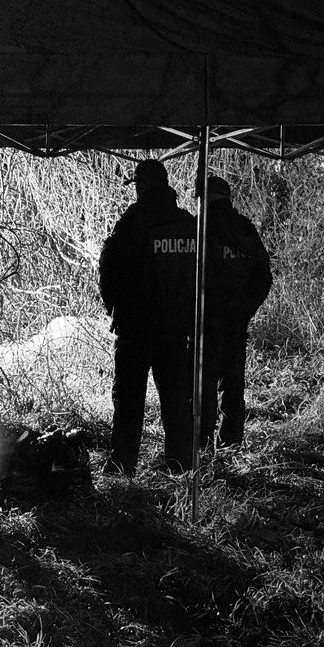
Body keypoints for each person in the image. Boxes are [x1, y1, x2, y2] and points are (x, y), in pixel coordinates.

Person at [99, 159, 196, 475]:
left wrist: (114, 310)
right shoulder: (186, 225)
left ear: (143, 186)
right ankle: (181, 468)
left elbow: (108, 268)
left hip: (135, 330)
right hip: (175, 330)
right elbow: (203, 276)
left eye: (138, 184)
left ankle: (123, 467)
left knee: (129, 403)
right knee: (176, 402)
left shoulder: (133, 221)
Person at [200, 176, 272, 449]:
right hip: (236, 321)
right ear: (227, 197)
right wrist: (244, 311)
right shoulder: (244, 229)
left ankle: (203, 446)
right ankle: (231, 444)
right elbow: (263, 276)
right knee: (233, 385)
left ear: (203, 197)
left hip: (204, 322)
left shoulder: (198, 228)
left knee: (203, 386)